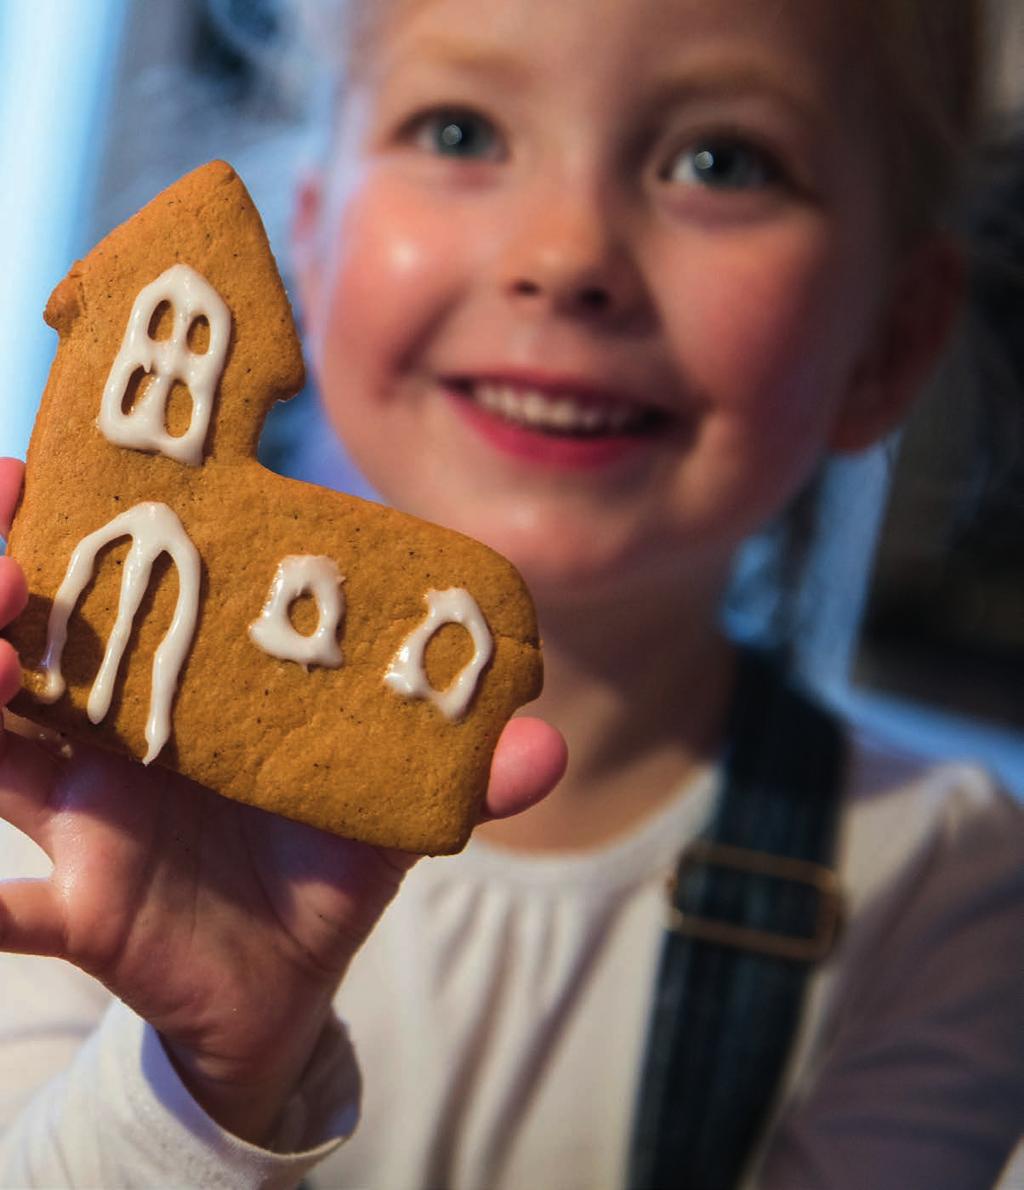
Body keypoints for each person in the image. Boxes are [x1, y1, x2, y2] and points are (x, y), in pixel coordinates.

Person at [0, 0, 1021, 1186]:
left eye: (718, 162)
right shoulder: (56, 783)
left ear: (889, 341)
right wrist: (206, 1083)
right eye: (459, 132)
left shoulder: (938, 887)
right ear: (314, 254)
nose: (567, 254)